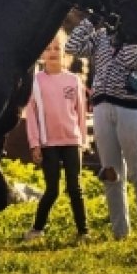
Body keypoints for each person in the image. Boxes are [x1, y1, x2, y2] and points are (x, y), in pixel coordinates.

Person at [65, 17, 137, 240]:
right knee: (111, 174)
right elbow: (72, 47)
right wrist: (92, 22)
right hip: (102, 107)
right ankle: (120, 233)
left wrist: (129, 34)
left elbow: (132, 59)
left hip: (132, 109)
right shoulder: (102, 35)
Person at [23, 31, 89, 241]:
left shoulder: (74, 80)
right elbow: (31, 117)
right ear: (41, 53)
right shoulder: (35, 83)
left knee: (75, 187)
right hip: (48, 143)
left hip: (72, 141)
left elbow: (80, 113)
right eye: (48, 48)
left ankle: (83, 231)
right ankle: (37, 229)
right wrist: (35, 144)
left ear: (65, 53)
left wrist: (83, 141)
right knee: (52, 189)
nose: (52, 52)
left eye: (57, 48)